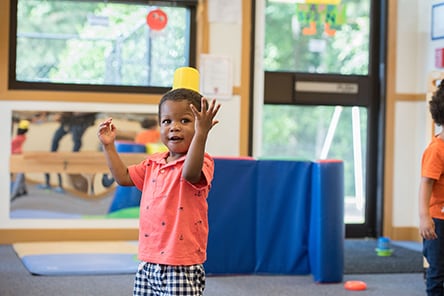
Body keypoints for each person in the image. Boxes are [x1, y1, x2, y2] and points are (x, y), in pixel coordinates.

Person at [97, 88, 220, 296]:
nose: (174, 128)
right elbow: (123, 177)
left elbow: (190, 174)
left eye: (185, 121)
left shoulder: (202, 161)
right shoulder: (153, 163)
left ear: (199, 125)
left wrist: (201, 134)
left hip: (180, 262)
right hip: (149, 259)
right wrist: (108, 146)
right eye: (167, 121)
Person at [419, 79, 444, 296]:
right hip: (438, 223)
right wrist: (424, 217)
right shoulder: (436, 150)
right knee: (437, 273)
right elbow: (426, 184)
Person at [38, 112, 96, 192]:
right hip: (69, 120)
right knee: (57, 137)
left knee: (76, 139)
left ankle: (73, 158)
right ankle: (53, 155)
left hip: (80, 121)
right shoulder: (66, 120)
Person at [11, 119, 30, 200]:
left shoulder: (19, 138)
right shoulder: (22, 137)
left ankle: (14, 193)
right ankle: (24, 190)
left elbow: (12, 146)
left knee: (19, 174)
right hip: (17, 155)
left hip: (16, 156)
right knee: (21, 174)